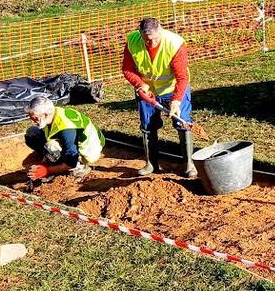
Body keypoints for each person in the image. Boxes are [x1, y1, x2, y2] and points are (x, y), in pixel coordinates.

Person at [121, 16, 197, 178]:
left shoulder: (175, 44)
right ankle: (151, 164)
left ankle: (189, 165)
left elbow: (182, 77)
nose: (151, 43)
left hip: (173, 88)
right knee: (148, 126)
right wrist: (139, 83)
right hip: (148, 92)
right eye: (147, 40)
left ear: (160, 31)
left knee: (182, 121)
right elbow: (127, 69)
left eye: (155, 39)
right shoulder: (132, 41)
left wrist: (176, 101)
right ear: (140, 33)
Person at [23, 96, 105, 187]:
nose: (33, 121)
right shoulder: (53, 114)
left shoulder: (67, 129)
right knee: (32, 133)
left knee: (51, 147)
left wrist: (47, 170)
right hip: (73, 140)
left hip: (90, 150)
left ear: (45, 114)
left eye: (35, 118)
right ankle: (55, 161)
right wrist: (44, 162)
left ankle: (80, 166)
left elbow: (71, 162)